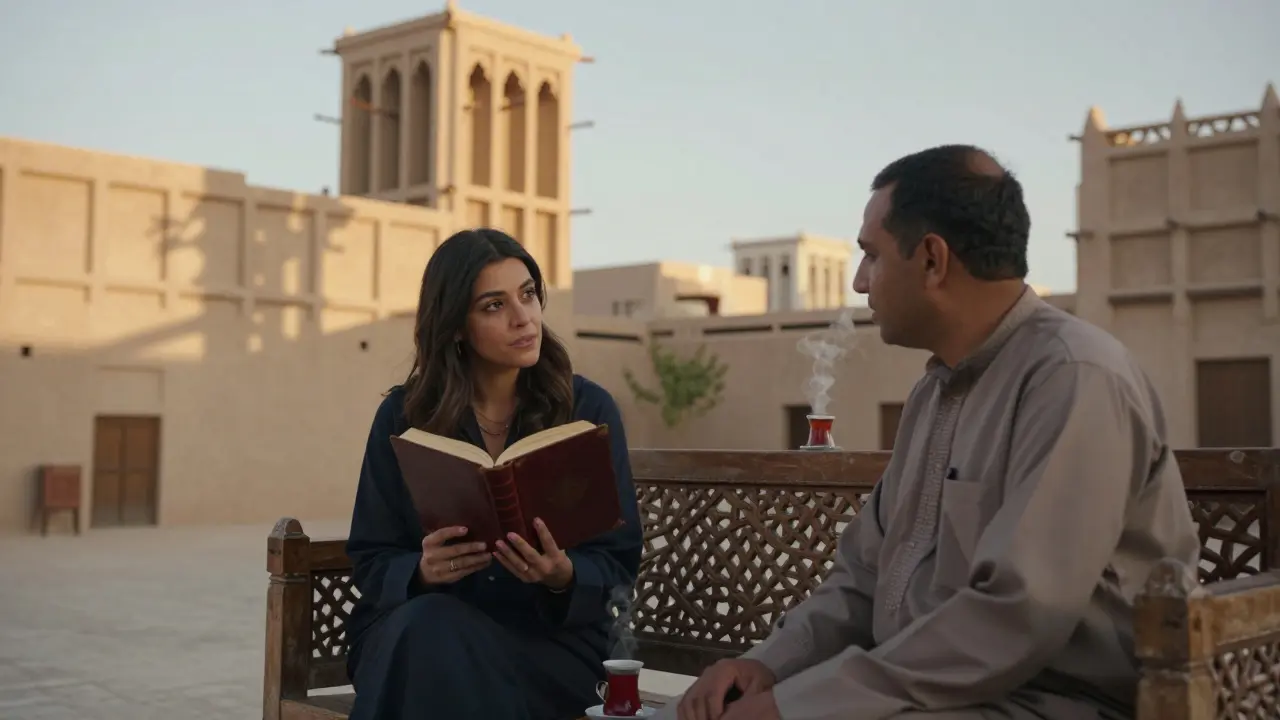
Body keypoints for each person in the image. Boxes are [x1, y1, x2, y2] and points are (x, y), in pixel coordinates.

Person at [664, 145, 1201, 720]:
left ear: (932, 260)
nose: (860, 282)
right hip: (930, 693)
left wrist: (795, 707)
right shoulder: (934, 392)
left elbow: (1016, 618)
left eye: (871, 256)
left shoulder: (1073, 378)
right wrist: (768, 665)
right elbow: (863, 578)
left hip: (1055, 702)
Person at [343, 228, 643, 720]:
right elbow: (371, 554)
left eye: (528, 295)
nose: (523, 317)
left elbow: (619, 559)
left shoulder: (587, 409)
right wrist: (421, 571)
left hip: (548, 643)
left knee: (433, 655)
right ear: (456, 326)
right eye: (493, 306)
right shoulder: (404, 416)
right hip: (419, 626)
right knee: (433, 633)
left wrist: (563, 575)